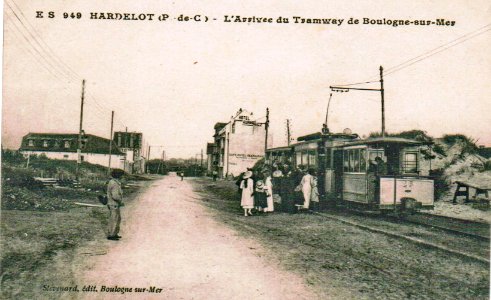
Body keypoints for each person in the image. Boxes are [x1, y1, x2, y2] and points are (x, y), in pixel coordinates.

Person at [106, 169, 124, 241]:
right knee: (114, 219)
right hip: (114, 204)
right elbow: (115, 196)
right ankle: (111, 235)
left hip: (113, 203)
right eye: (121, 175)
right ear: (118, 175)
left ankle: (114, 233)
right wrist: (120, 201)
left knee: (117, 218)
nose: (122, 177)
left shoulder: (112, 182)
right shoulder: (115, 183)